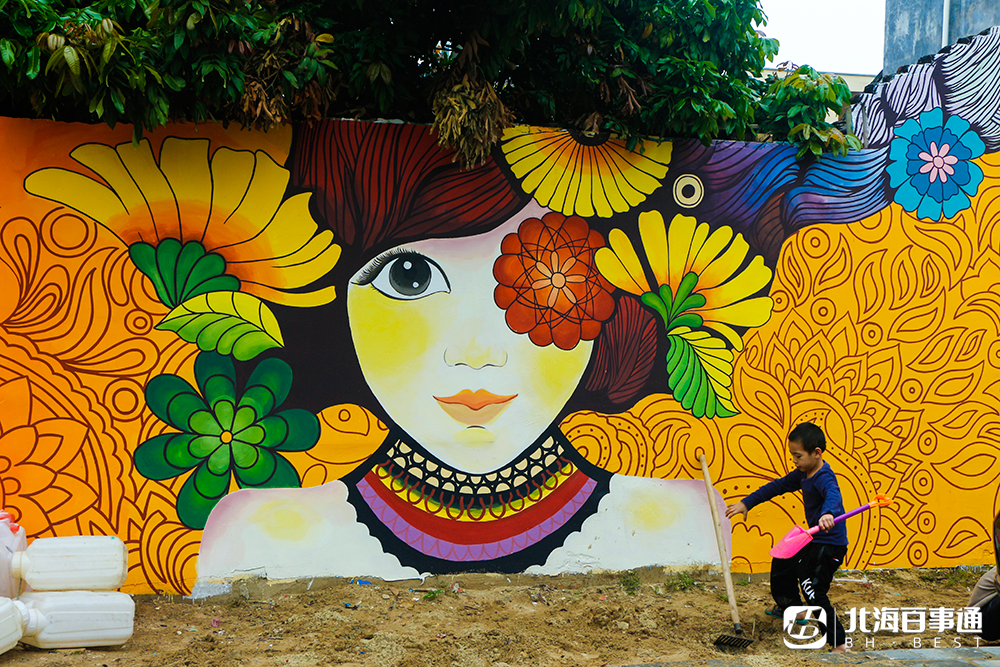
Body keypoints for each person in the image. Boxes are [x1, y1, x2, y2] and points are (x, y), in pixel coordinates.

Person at [194, 121, 729, 585]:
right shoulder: (257, 538)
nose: (476, 353)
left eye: (545, 282)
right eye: (409, 276)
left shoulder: (685, 523)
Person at [725, 422, 850, 653]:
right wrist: (746, 503)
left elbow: (834, 496)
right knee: (783, 558)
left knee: (812, 589)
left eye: (798, 455)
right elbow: (777, 486)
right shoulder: (804, 473)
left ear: (816, 453)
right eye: (792, 455)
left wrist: (828, 513)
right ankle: (792, 607)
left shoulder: (824, 477)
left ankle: (839, 643)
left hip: (829, 546)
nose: (794, 460)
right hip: (814, 539)